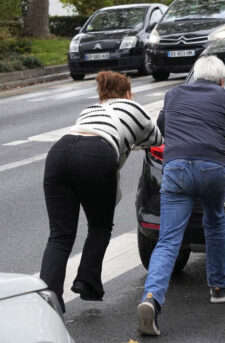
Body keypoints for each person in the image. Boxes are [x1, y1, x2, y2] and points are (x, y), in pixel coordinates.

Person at [137, 56, 225, 336]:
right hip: (212, 168)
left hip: (176, 168)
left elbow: (164, 129)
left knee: (168, 239)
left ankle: (151, 299)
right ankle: (218, 287)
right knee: (214, 221)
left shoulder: (172, 95)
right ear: (222, 80)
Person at [40, 71, 163, 312]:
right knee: (99, 226)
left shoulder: (89, 110)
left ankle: (48, 299)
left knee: (60, 235)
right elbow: (156, 138)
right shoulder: (133, 108)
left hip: (58, 153)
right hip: (96, 155)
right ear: (127, 93)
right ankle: (87, 282)